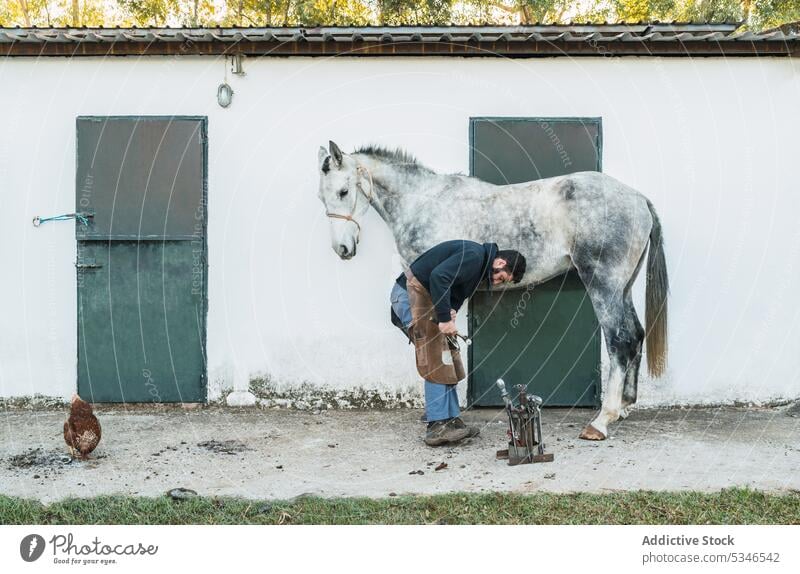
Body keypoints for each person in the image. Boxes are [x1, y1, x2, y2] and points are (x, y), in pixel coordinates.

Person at [390, 240, 526, 446]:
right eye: (501, 277)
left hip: (424, 296)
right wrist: (444, 318)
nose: (498, 282)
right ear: (499, 262)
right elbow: (439, 277)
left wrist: (450, 311)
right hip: (409, 294)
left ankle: (452, 420)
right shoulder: (474, 256)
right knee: (435, 355)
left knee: (449, 356)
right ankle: (436, 425)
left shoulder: (477, 267)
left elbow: (457, 293)